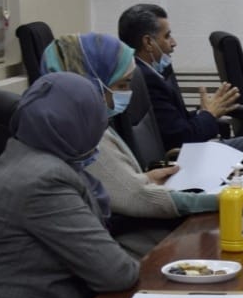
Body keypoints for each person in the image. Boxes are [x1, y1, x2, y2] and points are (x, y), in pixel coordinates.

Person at [0, 72, 139, 298]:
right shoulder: (45, 179)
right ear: (77, 122)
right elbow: (116, 274)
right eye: (96, 116)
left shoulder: (24, 153)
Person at [40, 33, 224, 257]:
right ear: (91, 82)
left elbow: (112, 184)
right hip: (124, 246)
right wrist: (221, 200)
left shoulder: (74, 119)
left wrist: (144, 178)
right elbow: (137, 198)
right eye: (121, 84)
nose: (128, 92)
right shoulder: (83, 132)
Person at [117, 3, 243, 158]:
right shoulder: (147, 80)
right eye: (167, 36)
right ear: (148, 42)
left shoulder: (148, 72)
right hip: (183, 158)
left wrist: (203, 113)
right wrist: (210, 114)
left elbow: (176, 124)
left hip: (188, 150)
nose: (173, 43)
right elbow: (183, 138)